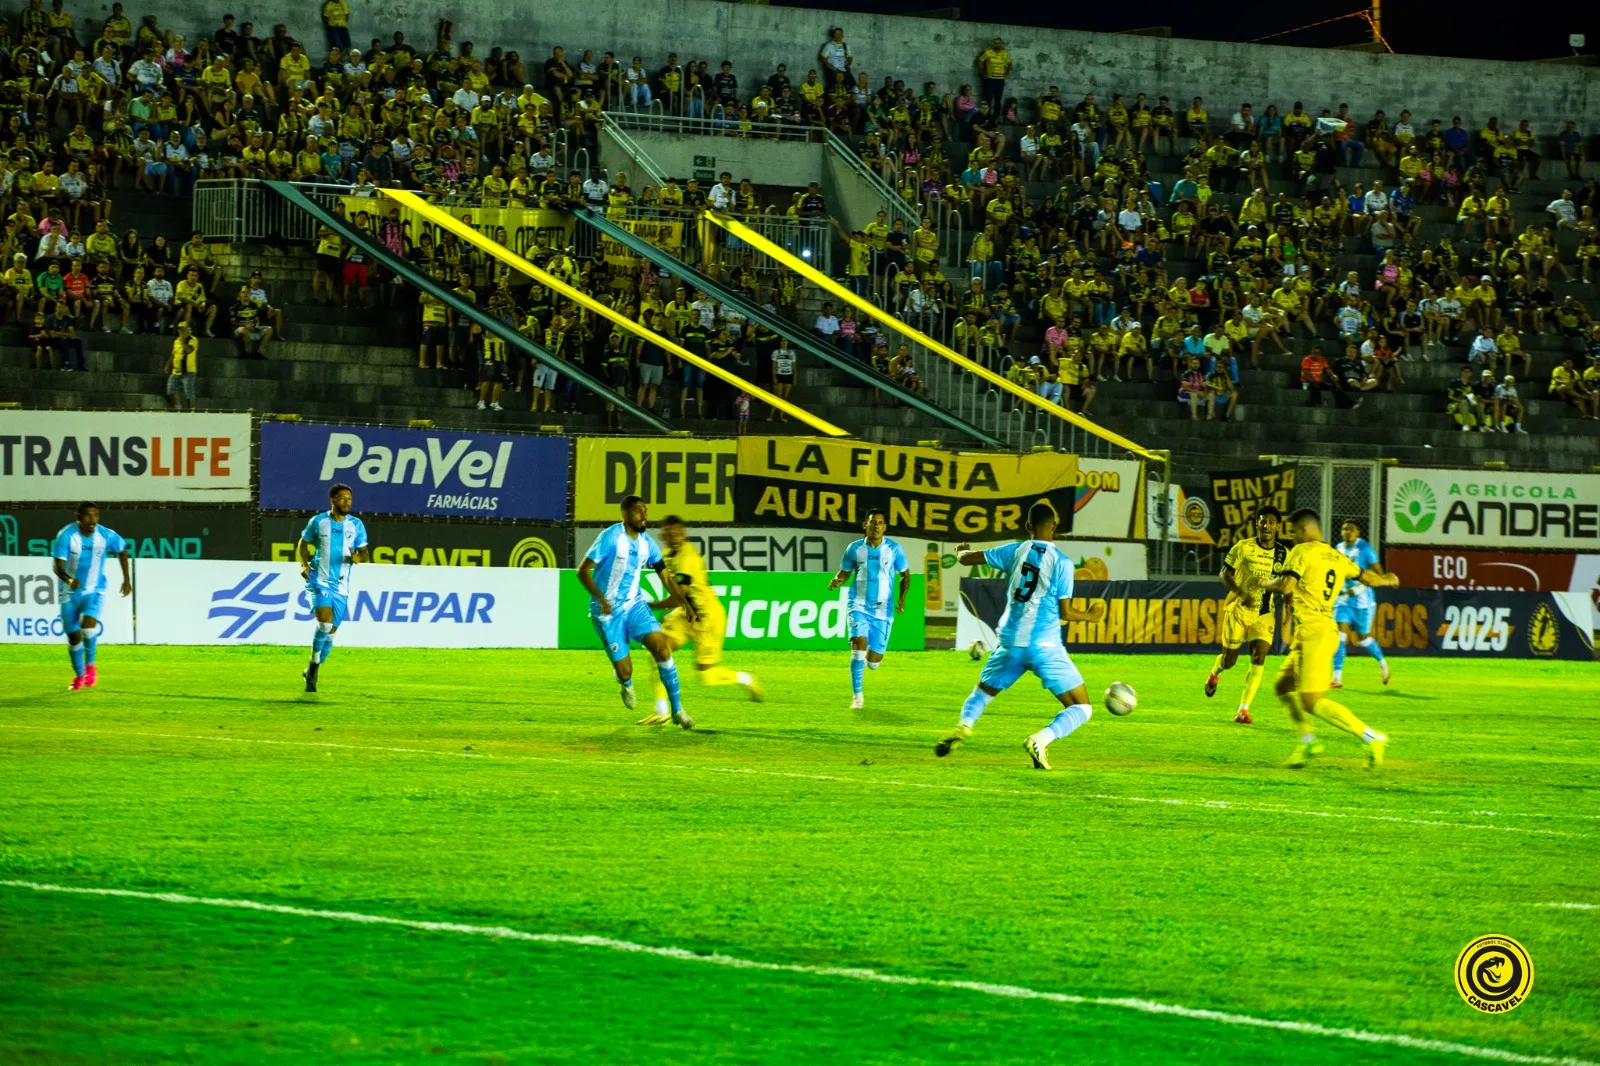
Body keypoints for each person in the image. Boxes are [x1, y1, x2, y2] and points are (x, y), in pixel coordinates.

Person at [935, 500, 1108, 769]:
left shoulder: (1014, 551)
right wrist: (1092, 616)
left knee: (982, 693)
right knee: (1082, 707)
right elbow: (1067, 611)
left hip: (1010, 643)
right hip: (1044, 646)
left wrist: (961, 551)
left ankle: (963, 727)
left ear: (1028, 526)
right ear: (1055, 527)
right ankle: (1040, 739)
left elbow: (967, 558)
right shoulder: (1062, 563)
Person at [1265, 509, 1400, 769]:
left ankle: (1371, 737)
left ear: (1305, 530)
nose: (1292, 538)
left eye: (1293, 532)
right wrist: (1385, 580)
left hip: (1314, 632)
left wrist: (1261, 583)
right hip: (1318, 631)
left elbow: (1285, 586)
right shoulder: (1335, 555)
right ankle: (1308, 740)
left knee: (1312, 701)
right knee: (1282, 686)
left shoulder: (1301, 552)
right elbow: (1366, 577)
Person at [577, 495, 696, 726]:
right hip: (607, 612)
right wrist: (601, 599)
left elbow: (665, 576)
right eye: (638, 510)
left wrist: (685, 603)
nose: (644, 515)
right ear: (624, 514)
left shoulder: (647, 543)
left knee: (661, 648)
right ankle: (625, 682)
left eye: (645, 510)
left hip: (634, 605)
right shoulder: (610, 538)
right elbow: (582, 571)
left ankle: (678, 709)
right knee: (625, 672)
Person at [640, 515, 764, 725]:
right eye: (670, 533)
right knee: (657, 651)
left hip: (707, 618)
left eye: (678, 532)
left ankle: (745, 678)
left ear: (684, 534)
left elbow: (679, 594)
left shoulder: (688, 557)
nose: (675, 536)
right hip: (685, 615)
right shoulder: (666, 555)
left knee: (706, 676)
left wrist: (652, 606)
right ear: (664, 536)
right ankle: (661, 711)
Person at [1204, 506, 1288, 724]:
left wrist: (1288, 608)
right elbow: (1223, 574)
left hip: (1265, 614)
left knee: (1259, 657)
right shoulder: (1243, 547)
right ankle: (1215, 673)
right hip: (1239, 610)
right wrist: (1241, 591)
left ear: (1277, 526)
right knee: (1229, 660)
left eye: (1271, 522)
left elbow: (1288, 584)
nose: (1266, 526)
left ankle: (1243, 710)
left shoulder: (1284, 554)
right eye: (1262, 521)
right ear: (1256, 524)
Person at [826, 509, 909, 709]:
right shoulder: (854, 549)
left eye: (880, 522)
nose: (876, 526)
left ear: (885, 527)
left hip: (883, 610)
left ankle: (864, 663)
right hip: (858, 604)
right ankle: (857, 696)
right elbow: (845, 572)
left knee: (873, 662)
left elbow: (906, 575)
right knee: (858, 645)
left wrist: (902, 599)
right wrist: (838, 580)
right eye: (872, 522)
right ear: (865, 525)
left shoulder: (894, 549)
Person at [51, 502, 132, 691]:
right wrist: (69, 580)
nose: (92, 519)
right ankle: (79, 675)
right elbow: (57, 567)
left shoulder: (105, 535)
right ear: (77, 517)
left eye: (95, 515)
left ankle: (91, 667)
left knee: (88, 626)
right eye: (87, 515)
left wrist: (126, 580)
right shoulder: (66, 536)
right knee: (73, 636)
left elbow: (122, 550)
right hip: (69, 592)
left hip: (95, 589)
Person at [297, 483, 369, 693]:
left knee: (331, 633)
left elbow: (365, 553)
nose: (347, 502)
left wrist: (358, 557)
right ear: (332, 500)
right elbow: (303, 542)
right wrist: (304, 564)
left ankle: (313, 666)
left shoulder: (356, 525)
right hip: (319, 579)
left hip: (341, 586)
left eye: (350, 499)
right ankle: (314, 666)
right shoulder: (319, 521)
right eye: (342, 498)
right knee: (325, 623)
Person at [1330, 519, 1389, 689]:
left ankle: (1383, 663)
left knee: (1363, 639)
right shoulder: (1338, 549)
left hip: (1363, 602)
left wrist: (1358, 588)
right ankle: (1337, 678)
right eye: (1344, 529)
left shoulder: (1365, 549)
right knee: (1340, 636)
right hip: (1342, 601)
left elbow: (1380, 575)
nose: (1346, 532)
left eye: (1351, 529)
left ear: (1358, 533)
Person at [164, 321, 199, 410]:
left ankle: (191, 410)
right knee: (170, 390)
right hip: (176, 371)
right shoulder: (176, 341)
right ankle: (178, 406)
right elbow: (173, 354)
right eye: (180, 330)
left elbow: (189, 350)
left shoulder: (193, 340)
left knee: (189, 392)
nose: (182, 332)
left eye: (183, 330)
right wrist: (168, 365)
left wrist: (183, 342)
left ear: (187, 330)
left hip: (189, 371)